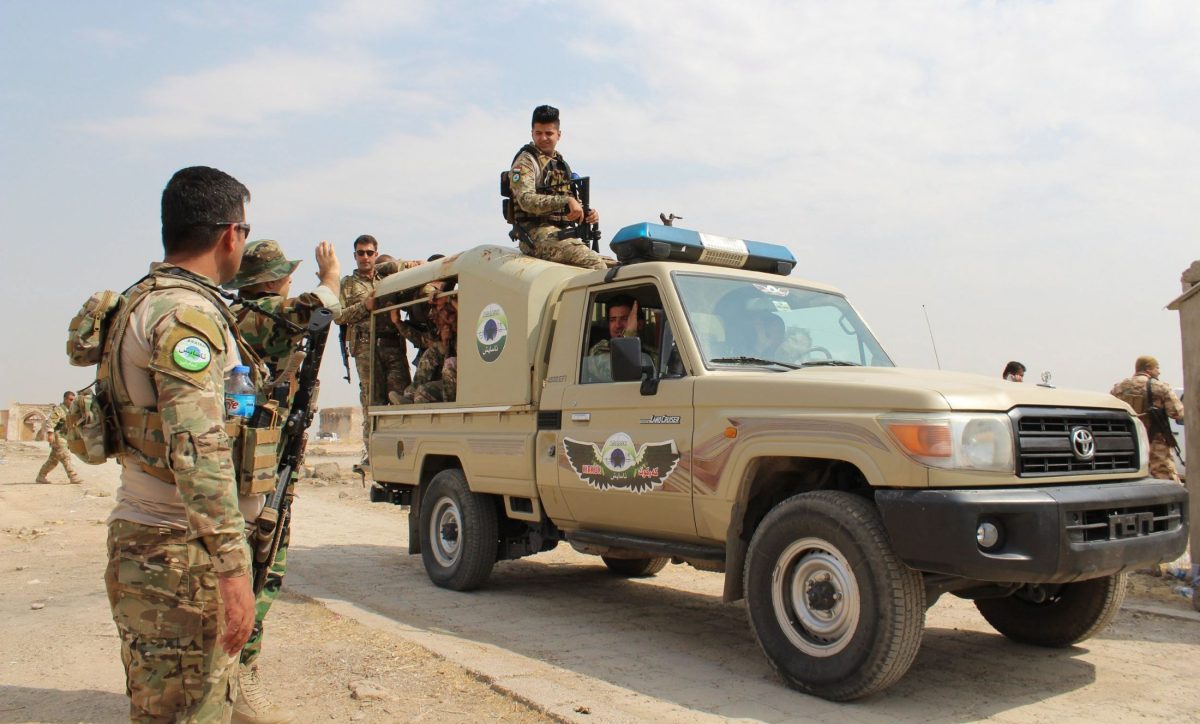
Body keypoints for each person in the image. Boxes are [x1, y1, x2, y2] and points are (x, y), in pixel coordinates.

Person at [103, 166, 256, 722]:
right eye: (246, 231)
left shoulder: (142, 300)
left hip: (158, 546)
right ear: (230, 235)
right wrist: (233, 568)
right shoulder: (185, 315)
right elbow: (199, 451)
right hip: (178, 555)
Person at [223, 238, 341, 724]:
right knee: (262, 563)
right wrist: (330, 276)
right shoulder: (260, 315)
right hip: (258, 469)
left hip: (250, 462)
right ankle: (239, 675)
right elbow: (319, 308)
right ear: (272, 281)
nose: (292, 282)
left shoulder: (232, 317)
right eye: (286, 275)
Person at [335, 235, 420, 463]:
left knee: (402, 396)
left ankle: (405, 453)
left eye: (369, 253)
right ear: (355, 255)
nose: (365, 257)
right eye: (361, 253)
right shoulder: (348, 284)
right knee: (372, 400)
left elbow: (406, 270)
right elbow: (338, 316)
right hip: (366, 346)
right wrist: (365, 306)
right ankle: (373, 455)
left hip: (392, 344)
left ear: (376, 254)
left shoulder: (387, 278)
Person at [508, 104, 606, 270]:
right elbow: (526, 200)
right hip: (534, 235)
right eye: (538, 133)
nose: (543, 138)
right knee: (596, 265)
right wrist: (565, 201)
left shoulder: (560, 164)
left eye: (549, 133)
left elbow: (572, 202)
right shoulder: (526, 161)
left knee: (616, 266)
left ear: (558, 135)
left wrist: (587, 213)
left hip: (559, 233)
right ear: (532, 133)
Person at [1111, 355, 1185, 482]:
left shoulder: (1119, 388)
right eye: (1157, 368)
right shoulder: (1160, 387)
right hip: (1155, 442)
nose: (1159, 372)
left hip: (1129, 442)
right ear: (1148, 369)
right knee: (1166, 479)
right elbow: (1177, 413)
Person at [391, 281, 458, 403]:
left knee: (450, 363)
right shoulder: (441, 329)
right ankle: (410, 396)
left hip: (466, 374)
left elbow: (469, 315)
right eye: (439, 310)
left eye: (444, 309)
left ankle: (451, 406)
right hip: (450, 380)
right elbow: (422, 340)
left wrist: (448, 298)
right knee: (432, 352)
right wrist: (398, 323)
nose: (442, 314)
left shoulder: (464, 320)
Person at [370, 254, 413, 405]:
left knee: (399, 394)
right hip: (374, 347)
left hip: (394, 343)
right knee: (375, 398)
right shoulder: (373, 284)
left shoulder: (397, 286)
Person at [586, 295, 657, 382]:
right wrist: (629, 334)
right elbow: (622, 373)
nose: (617, 325)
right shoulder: (599, 350)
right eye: (612, 320)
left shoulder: (651, 354)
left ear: (640, 324)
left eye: (624, 319)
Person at [35, 390, 82, 484]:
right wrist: (50, 434)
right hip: (58, 436)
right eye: (70, 400)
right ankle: (73, 476)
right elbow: (51, 421)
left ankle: (41, 476)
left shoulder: (70, 411)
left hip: (65, 437)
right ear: (65, 399)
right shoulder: (59, 410)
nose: (72, 402)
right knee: (65, 456)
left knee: (53, 460)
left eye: (73, 400)